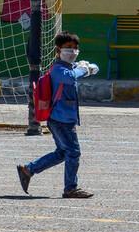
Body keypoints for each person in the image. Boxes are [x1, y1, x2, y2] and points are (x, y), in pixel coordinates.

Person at [17, 31, 99, 198]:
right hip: (60, 119)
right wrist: (84, 69)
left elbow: (92, 69)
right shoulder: (59, 69)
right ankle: (70, 188)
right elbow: (70, 78)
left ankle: (29, 169)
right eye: (68, 48)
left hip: (62, 118)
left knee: (62, 153)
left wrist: (87, 68)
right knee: (73, 152)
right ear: (58, 50)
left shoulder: (69, 67)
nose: (73, 51)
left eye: (75, 48)